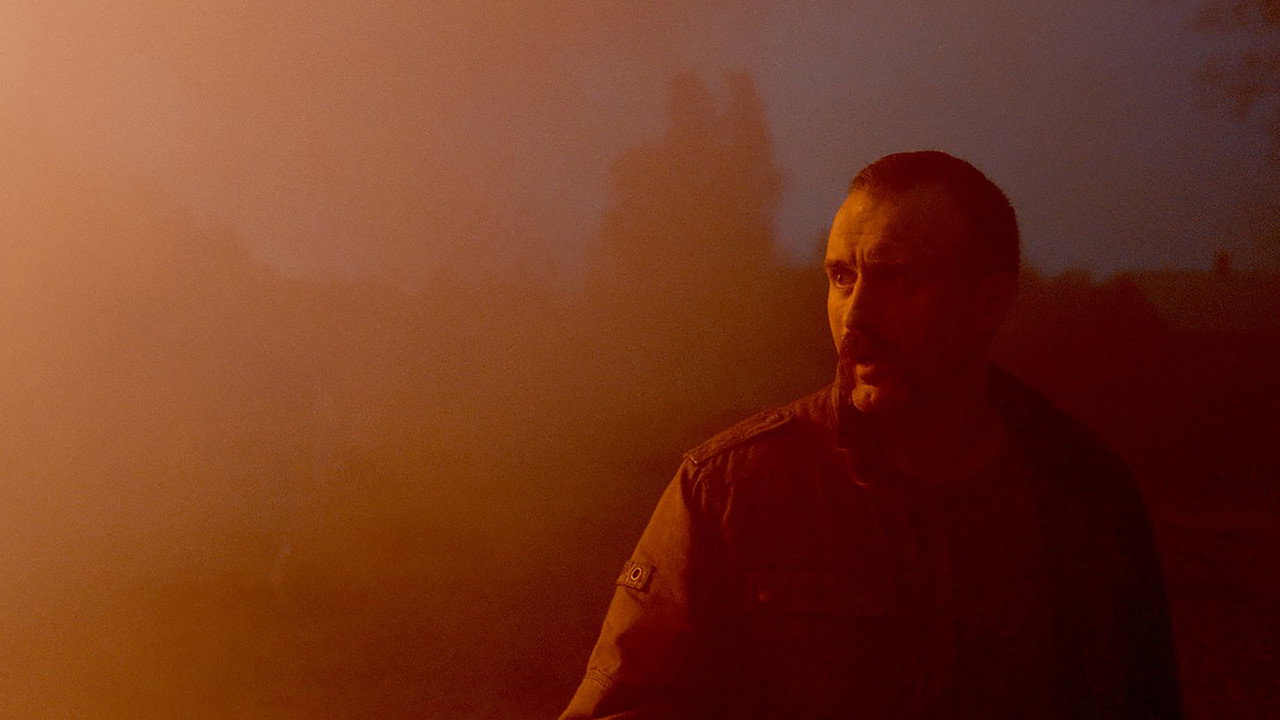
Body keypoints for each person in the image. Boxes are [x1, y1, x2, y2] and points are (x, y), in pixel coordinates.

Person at [560, 150, 1182, 719]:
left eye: (895, 278)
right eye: (841, 277)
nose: (855, 315)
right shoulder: (728, 490)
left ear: (989, 302)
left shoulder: (1084, 498)